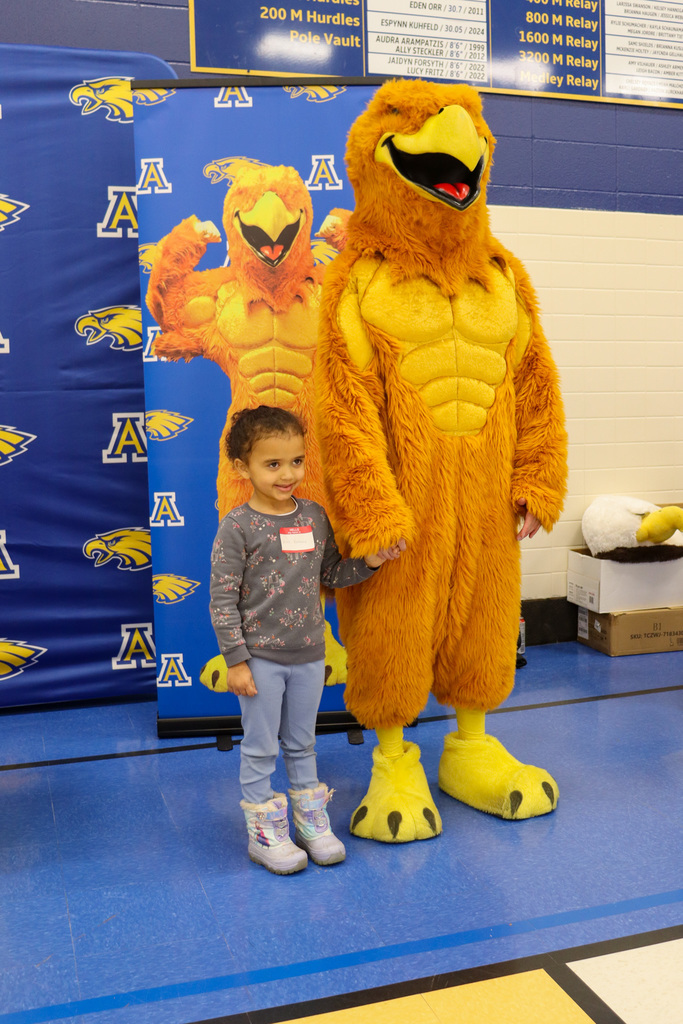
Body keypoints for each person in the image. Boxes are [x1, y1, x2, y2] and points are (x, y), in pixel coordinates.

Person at [209, 405, 405, 874]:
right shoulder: (236, 528)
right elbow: (221, 600)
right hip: (260, 660)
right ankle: (264, 831)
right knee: (261, 746)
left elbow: (333, 574)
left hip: (309, 656)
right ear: (242, 468)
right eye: (272, 464)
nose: (287, 473)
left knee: (302, 742)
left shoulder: (314, 516)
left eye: (295, 461)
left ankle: (310, 821)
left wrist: (373, 561)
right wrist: (236, 661)